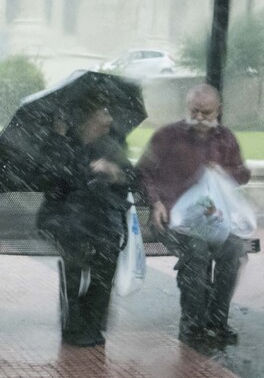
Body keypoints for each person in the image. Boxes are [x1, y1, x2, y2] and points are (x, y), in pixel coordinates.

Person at [136, 83, 251, 346]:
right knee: (197, 250)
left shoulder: (225, 138)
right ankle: (193, 324)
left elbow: (242, 174)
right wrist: (156, 203)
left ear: (218, 111)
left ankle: (217, 321)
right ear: (186, 108)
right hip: (172, 221)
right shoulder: (167, 136)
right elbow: (143, 172)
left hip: (215, 221)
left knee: (233, 250)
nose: (199, 118)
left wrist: (224, 172)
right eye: (194, 111)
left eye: (206, 113)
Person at [35, 96, 136, 347]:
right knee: (77, 248)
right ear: (87, 118)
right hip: (62, 218)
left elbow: (132, 178)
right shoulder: (61, 141)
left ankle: (91, 317)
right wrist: (84, 170)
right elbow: (49, 181)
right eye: (103, 113)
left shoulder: (112, 144)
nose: (110, 119)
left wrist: (114, 173)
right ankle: (74, 320)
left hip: (100, 219)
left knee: (106, 251)